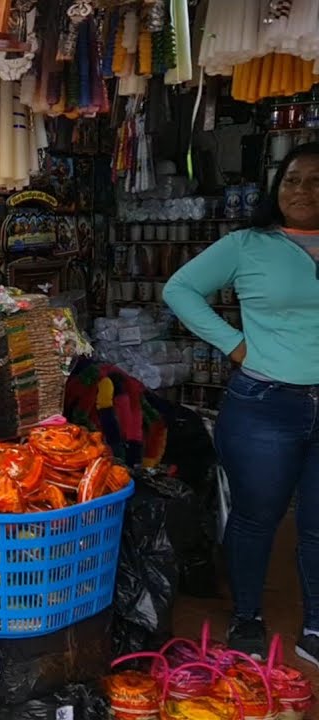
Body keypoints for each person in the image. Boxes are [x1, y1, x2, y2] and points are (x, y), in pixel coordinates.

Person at [164, 141, 319, 665]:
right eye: (293, 179)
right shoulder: (249, 244)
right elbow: (180, 289)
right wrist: (234, 344)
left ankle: (316, 624)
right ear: (277, 186)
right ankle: (248, 616)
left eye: (317, 180)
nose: (302, 190)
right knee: (256, 517)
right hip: (265, 403)